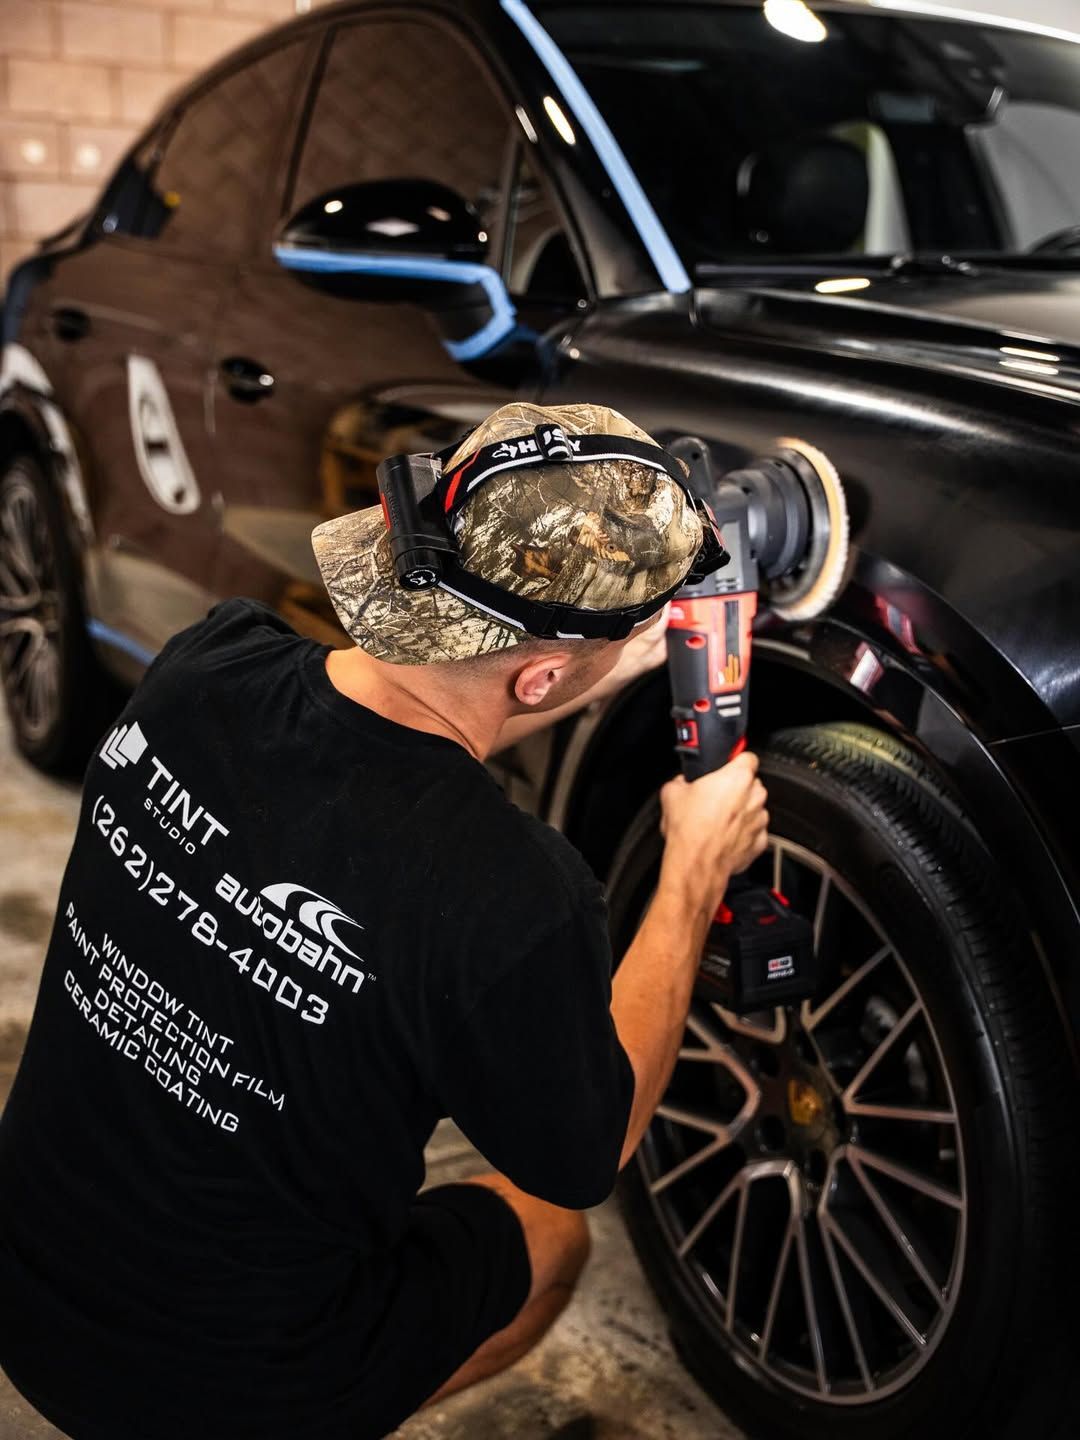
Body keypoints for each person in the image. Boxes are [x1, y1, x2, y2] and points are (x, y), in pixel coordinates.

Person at [0, 401, 767, 1439]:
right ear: (539, 675)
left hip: (23, 1280)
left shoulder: (204, 666)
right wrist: (694, 865)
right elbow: (593, 1147)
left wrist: (605, 658)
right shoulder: (511, 895)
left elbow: (410, 732)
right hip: (216, 1393)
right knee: (551, 1240)